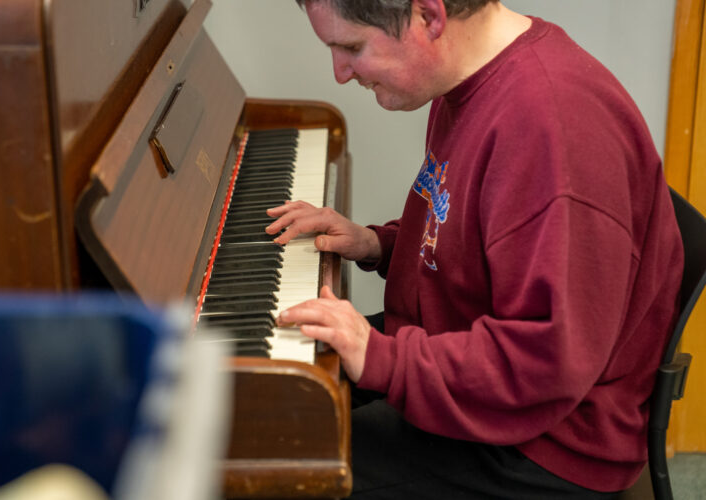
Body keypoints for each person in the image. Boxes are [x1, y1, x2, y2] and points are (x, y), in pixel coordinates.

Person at [264, 0, 685, 498]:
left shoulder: (551, 126)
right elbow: (479, 234)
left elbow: (547, 361)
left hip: (546, 439)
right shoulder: (469, 79)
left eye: (351, 47)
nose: (339, 73)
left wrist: (381, 357)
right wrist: (381, 242)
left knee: (278, 468)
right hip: (465, 354)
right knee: (268, 397)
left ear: (429, 16)